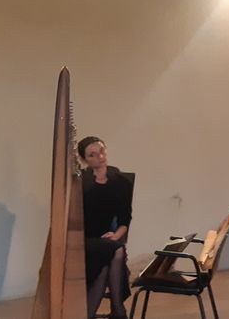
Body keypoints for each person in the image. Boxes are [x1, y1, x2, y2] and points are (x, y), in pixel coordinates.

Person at [79, 136, 133, 319]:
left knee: (107, 261)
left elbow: (125, 219)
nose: (99, 157)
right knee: (115, 252)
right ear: (84, 160)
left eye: (101, 151)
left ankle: (93, 314)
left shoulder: (120, 181)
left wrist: (116, 235)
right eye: (92, 155)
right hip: (83, 240)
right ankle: (118, 310)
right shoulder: (80, 182)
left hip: (107, 239)